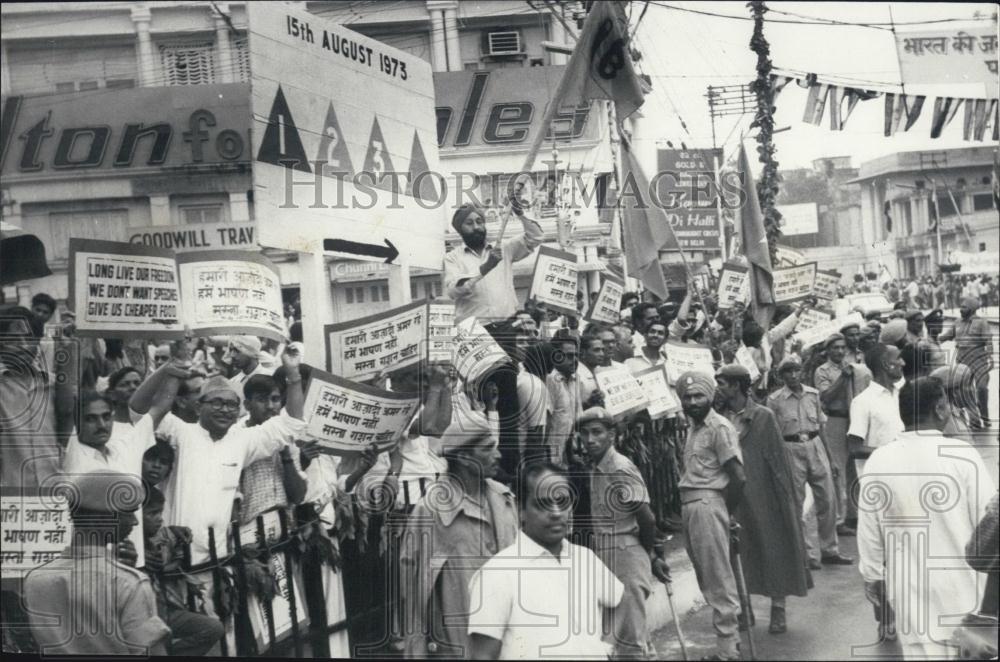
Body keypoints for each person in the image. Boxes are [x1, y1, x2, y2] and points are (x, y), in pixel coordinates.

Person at [130, 348, 307, 565]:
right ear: (198, 406)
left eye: (232, 405)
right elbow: (138, 408)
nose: (225, 410)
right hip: (175, 558)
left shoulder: (241, 440)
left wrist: (293, 374)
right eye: (216, 403)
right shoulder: (181, 432)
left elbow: (292, 422)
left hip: (218, 558)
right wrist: (169, 369)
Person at [858, 377, 994, 657]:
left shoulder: (879, 461)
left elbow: (870, 533)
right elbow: (990, 528)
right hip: (965, 592)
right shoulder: (962, 456)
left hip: (910, 597)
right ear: (940, 409)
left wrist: (873, 577)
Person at [467, 463, 626, 659]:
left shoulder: (584, 558)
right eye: (543, 504)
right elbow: (482, 655)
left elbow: (619, 599)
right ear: (521, 510)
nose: (556, 512)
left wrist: (607, 646)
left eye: (562, 501)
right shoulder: (497, 574)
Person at [399, 406, 518, 658]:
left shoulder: (504, 498)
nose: (497, 455)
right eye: (487, 449)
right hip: (459, 642)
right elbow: (413, 589)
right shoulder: (430, 510)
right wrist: (417, 648)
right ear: (464, 457)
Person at [23, 471, 170, 655]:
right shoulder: (129, 583)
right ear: (99, 520)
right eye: (127, 513)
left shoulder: (35, 578)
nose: (134, 522)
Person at [715, 364, 813, 636]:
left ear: (736, 386)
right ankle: (744, 610)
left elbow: (778, 461)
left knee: (774, 548)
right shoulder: (717, 417)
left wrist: (785, 499)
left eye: (722, 383)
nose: (718, 388)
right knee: (738, 552)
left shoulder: (763, 416)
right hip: (731, 493)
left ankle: (778, 609)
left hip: (764, 493)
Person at [578, 407, 670, 659]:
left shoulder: (619, 468)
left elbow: (647, 518)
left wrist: (650, 553)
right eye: (584, 434)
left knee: (629, 640)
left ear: (612, 435)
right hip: (609, 554)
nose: (590, 440)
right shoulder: (597, 467)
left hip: (625, 555)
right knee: (629, 636)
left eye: (597, 432)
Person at [677, 371, 745, 661]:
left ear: (710, 397)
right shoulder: (694, 427)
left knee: (718, 579)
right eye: (687, 397)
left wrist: (724, 512)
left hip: (708, 504)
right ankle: (729, 644)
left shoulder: (719, 427)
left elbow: (739, 477)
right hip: (693, 506)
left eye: (698, 396)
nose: (692, 402)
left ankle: (728, 650)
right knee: (707, 577)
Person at [768, 356, 849, 573]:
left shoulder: (813, 394)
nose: (793, 375)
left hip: (815, 445)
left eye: (796, 371)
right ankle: (808, 554)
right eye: (788, 372)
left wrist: (831, 459)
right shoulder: (775, 400)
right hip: (791, 448)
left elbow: (822, 429)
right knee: (797, 503)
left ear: (801, 372)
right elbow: (774, 435)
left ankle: (830, 549)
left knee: (828, 500)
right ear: (781, 375)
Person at [142, 462, 225, 656]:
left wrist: (178, 533)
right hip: (141, 616)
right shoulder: (125, 543)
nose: (160, 518)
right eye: (152, 513)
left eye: (160, 513)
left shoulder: (162, 535)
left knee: (213, 628)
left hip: (166, 611)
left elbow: (174, 544)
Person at [443, 195, 543, 324]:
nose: (476, 227)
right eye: (469, 223)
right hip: (476, 332)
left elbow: (536, 237)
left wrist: (520, 213)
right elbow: (453, 291)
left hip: (508, 325)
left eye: (479, 222)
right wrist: (485, 268)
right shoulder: (452, 258)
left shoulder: (504, 248)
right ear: (460, 230)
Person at [235, 374, 307, 526]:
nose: (270, 406)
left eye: (275, 399)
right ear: (247, 405)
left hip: (285, 529)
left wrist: (286, 455)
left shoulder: (287, 436)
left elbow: (298, 496)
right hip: (249, 533)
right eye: (261, 400)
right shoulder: (236, 436)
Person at [939, 296, 993, 428]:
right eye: (961, 306)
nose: (961, 309)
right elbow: (946, 336)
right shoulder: (957, 322)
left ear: (972, 309)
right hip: (962, 360)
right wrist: (934, 341)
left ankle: (985, 416)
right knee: (964, 391)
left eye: (964, 307)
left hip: (979, 360)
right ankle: (973, 420)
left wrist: (990, 356)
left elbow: (988, 340)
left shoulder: (981, 323)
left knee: (981, 388)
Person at [545, 334, 582, 467]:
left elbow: (571, 420)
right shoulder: (551, 379)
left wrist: (570, 455)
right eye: (570, 356)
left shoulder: (575, 379)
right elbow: (546, 423)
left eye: (576, 355)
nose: (575, 360)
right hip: (549, 457)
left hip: (564, 456)